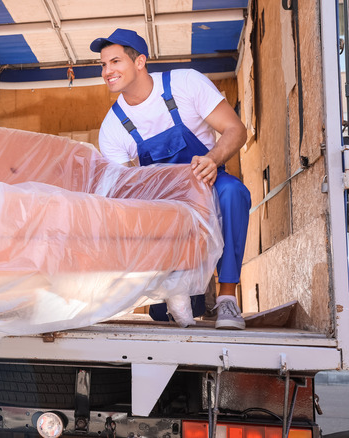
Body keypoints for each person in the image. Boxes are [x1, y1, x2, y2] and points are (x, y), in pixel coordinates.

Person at [90, 28, 251, 330]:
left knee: (234, 193)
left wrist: (213, 159)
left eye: (115, 62)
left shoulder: (185, 84)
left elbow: (236, 130)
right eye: (103, 65)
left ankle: (228, 298)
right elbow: (127, 189)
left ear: (140, 62)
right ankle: (169, 290)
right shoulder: (113, 127)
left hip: (208, 183)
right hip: (162, 202)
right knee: (165, 312)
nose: (107, 71)